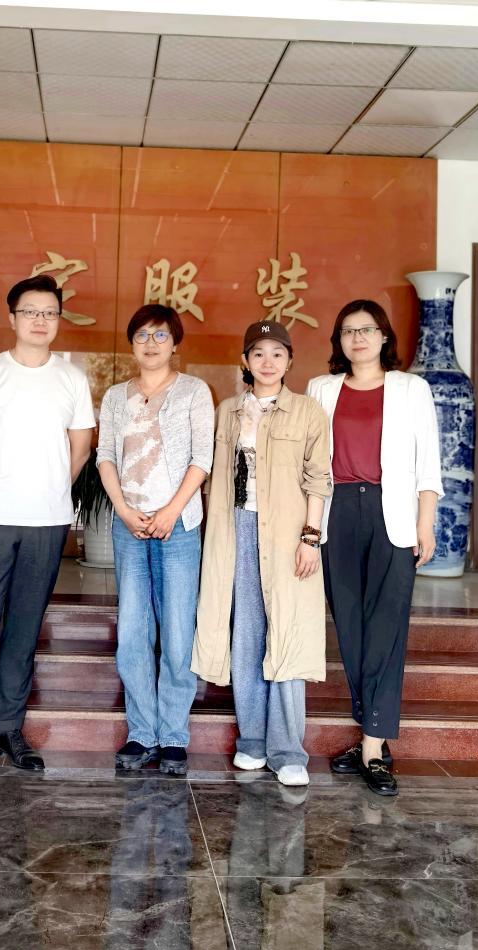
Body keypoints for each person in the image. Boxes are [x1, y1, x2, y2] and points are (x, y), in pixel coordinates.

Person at [0, 274, 95, 777]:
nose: (40, 320)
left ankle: (9, 729)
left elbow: (80, 448)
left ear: (58, 320)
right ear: (12, 318)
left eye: (49, 312)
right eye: (30, 311)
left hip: (46, 522)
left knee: (24, 628)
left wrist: (50, 487)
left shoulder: (71, 379)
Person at [307, 299, 443, 796]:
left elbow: (429, 463)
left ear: (384, 336)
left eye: (367, 329)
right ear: (339, 341)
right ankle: (373, 735)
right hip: (337, 511)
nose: (358, 338)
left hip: (394, 515)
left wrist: (425, 523)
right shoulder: (321, 389)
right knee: (350, 629)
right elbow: (308, 460)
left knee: (385, 628)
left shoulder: (411, 389)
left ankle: (371, 747)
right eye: (348, 331)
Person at [193, 320, 331, 787]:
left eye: (277, 353)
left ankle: (288, 750)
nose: (268, 362)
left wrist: (310, 536)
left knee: (288, 633)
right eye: (258, 354)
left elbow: (319, 478)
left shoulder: (308, 411)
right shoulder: (228, 411)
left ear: (289, 361)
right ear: (245, 361)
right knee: (247, 635)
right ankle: (252, 740)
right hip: (238, 530)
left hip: (289, 535)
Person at [97, 304, 214, 776]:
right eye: (142, 335)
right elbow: (105, 457)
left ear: (175, 343)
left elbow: (202, 459)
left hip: (178, 527)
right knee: (133, 630)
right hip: (130, 526)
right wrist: (124, 510)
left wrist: (170, 512)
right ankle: (141, 732)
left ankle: (173, 736)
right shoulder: (115, 396)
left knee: (178, 632)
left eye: (160, 335)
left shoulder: (194, 391)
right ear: (132, 343)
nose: (151, 343)